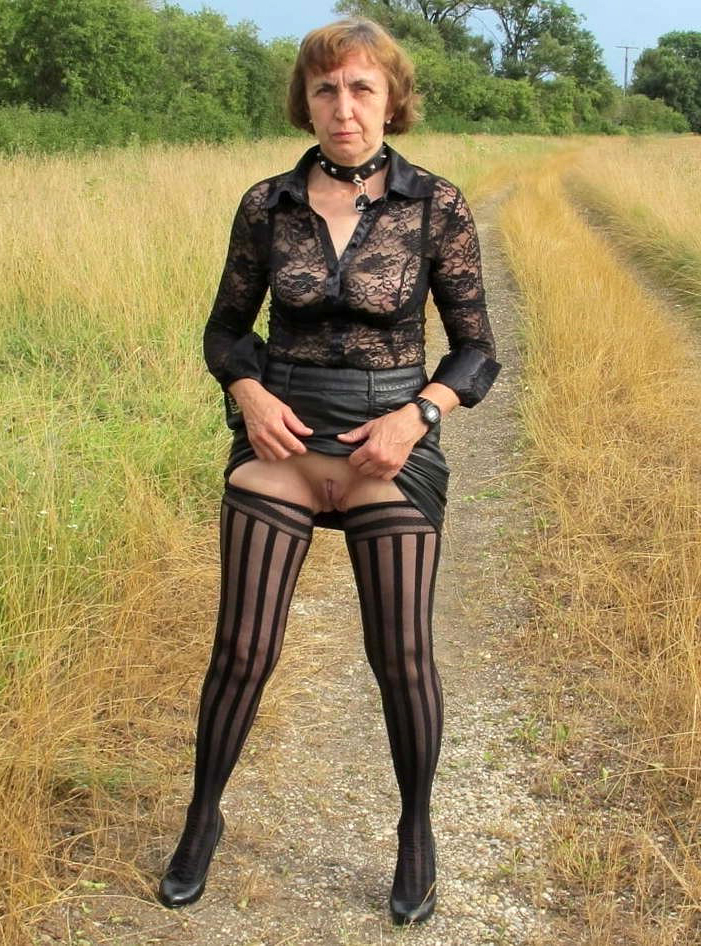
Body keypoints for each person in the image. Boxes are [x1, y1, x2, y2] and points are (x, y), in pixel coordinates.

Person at [158, 17, 501, 927]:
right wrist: (247, 393)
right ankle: (202, 818)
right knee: (243, 648)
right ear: (305, 103)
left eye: (360, 88)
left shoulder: (436, 205)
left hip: (390, 444)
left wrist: (419, 415)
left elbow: (475, 351)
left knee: (400, 655)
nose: (342, 107)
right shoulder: (266, 204)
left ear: (390, 101)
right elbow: (225, 329)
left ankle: (415, 831)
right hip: (283, 440)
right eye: (325, 90)